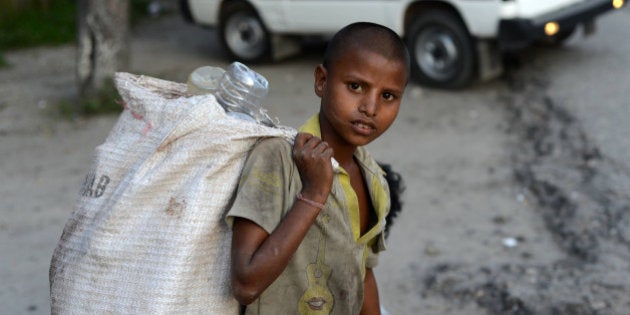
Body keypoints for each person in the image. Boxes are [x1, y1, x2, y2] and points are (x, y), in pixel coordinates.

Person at [226, 21, 410, 315]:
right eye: (355, 86)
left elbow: (362, 272)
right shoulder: (277, 158)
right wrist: (314, 194)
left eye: (388, 96)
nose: (370, 107)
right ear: (322, 81)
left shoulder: (375, 179)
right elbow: (246, 284)